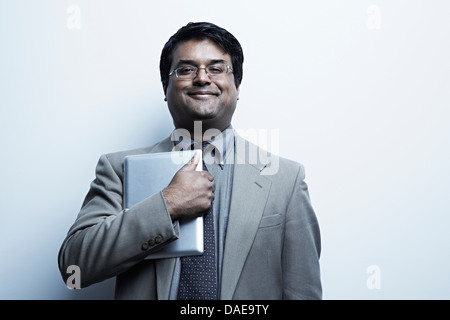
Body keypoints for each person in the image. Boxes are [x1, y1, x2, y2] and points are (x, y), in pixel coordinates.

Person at [58, 22, 322, 300]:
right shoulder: (119, 169)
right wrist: (168, 204)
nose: (202, 78)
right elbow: (74, 268)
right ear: (165, 86)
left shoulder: (285, 179)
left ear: (237, 85)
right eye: (186, 69)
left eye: (217, 68)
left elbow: (303, 291)